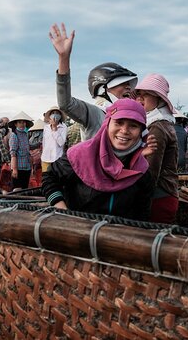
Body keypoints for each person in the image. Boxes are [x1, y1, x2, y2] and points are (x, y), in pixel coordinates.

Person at [42, 99, 155, 221]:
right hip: (77, 233)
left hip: (119, 237)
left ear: (141, 132)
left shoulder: (142, 172)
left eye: (133, 126)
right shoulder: (80, 155)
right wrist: (63, 211)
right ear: (107, 124)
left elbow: (142, 215)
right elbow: (50, 177)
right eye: (118, 123)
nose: (124, 131)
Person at [49, 22, 138, 140]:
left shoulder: (128, 116)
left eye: (129, 84)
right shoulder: (95, 114)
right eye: (122, 83)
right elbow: (66, 104)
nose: (128, 87)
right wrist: (64, 58)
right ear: (102, 88)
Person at [134, 74, 179, 223]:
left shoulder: (157, 127)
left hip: (159, 195)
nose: (139, 99)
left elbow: (151, 170)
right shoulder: (160, 123)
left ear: (159, 99)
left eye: (145, 95)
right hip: (164, 193)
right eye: (138, 95)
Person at [8, 111, 35, 190]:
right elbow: (13, 153)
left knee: (25, 189)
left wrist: (40, 143)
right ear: (16, 124)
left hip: (27, 167)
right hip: (18, 167)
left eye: (23, 123)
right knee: (17, 189)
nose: (22, 124)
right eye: (20, 122)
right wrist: (14, 169)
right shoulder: (14, 135)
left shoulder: (25, 134)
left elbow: (29, 147)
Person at [41, 106, 68, 172]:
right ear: (50, 116)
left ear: (60, 116)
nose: (55, 114)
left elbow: (61, 143)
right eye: (53, 113)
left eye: (57, 113)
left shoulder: (63, 127)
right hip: (45, 158)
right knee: (46, 180)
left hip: (57, 159)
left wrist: (55, 128)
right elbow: (44, 143)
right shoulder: (46, 127)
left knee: (56, 180)